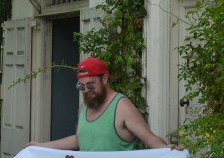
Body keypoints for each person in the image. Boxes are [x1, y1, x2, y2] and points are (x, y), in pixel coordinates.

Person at [27, 56, 171, 152]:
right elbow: (80, 139)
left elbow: (150, 139)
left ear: (104, 79)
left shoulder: (122, 106)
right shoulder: (84, 107)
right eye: (82, 86)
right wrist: (40, 146)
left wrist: (169, 150)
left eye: (90, 85)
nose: (86, 91)